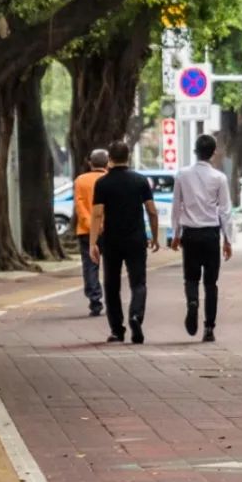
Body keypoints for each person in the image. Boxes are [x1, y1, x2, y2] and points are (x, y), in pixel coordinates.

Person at [90, 141, 159, 344]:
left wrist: (93, 242)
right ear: (128, 157)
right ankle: (136, 316)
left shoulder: (102, 183)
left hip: (111, 241)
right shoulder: (139, 181)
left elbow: (97, 215)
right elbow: (152, 211)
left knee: (111, 285)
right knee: (138, 282)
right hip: (136, 240)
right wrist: (154, 237)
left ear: (110, 158)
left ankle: (117, 330)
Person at [169, 133, 233, 343]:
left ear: (196, 151)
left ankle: (193, 303)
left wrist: (176, 234)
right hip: (210, 233)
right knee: (211, 283)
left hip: (190, 233)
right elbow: (225, 211)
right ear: (213, 153)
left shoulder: (182, 175)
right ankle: (209, 328)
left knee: (191, 278)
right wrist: (227, 239)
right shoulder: (219, 178)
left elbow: (176, 207)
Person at [73, 150, 109, 317]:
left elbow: (80, 207)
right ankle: (112, 297)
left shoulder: (80, 180)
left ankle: (95, 300)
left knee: (90, 265)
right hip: (109, 229)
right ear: (107, 163)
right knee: (111, 265)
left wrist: (91, 225)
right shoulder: (110, 179)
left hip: (86, 231)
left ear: (90, 163)